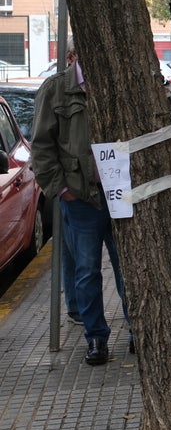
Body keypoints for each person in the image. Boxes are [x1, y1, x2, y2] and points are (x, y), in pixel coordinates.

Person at [30, 53, 131, 365]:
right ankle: (97, 339)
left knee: (128, 268)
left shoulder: (118, 81)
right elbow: (42, 146)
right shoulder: (55, 89)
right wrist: (61, 190)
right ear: (73, 56)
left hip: (120, 195)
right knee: (86, 271)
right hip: (81, 198)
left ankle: (138, 330)